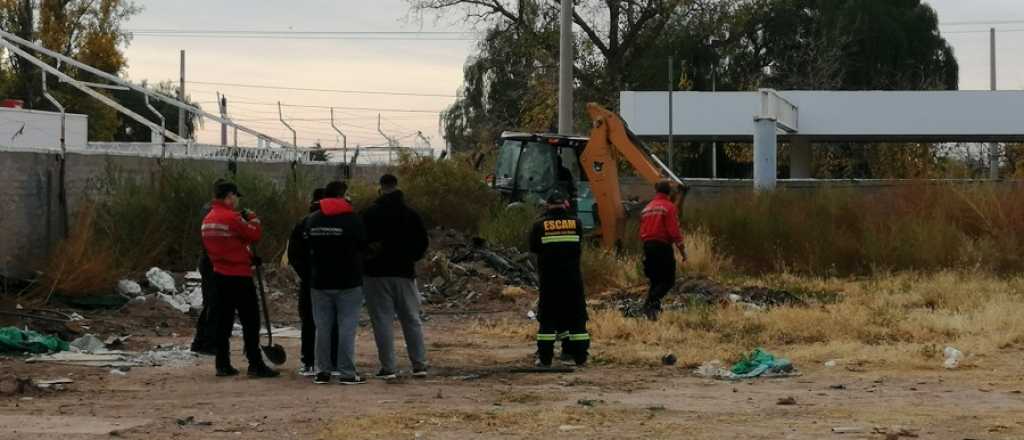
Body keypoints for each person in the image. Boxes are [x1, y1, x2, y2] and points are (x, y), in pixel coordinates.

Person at [201, 181, 279, 378]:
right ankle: (255, 363)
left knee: (223, 322)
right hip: (239, 276)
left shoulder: (208, 219)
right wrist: (252, 218)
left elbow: (229, 244)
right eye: (236, 197)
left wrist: (245, 255)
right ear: (230, 195)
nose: (236, 201)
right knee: (250, 321)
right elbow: (254, 235)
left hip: (219, 274)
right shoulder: (232, 218)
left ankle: (222, 363)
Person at [362, 174, 430, 379]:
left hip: (375, 274)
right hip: (404, 272)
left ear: (380, 188)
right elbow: (422, 243)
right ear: (397, 187)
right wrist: (410, 258)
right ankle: (419, 364)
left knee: (382, 320)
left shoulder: (368, 213)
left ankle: (388, 368)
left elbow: (359, 242)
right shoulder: (411, 214)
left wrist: (367, 260)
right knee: (411, 318)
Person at [304, 181, 368, 385]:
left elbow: (305, 249)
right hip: (348, 282)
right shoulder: (353, 220)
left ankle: (323, 371)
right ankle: (347, 373)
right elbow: (363, 246)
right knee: (346, 327)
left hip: (320, 282)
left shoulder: (312, 220)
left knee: (322, 328)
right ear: (342, 195)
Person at [529, 192, 590, 367]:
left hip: (550, 280)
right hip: (572, 280)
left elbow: (534, 248)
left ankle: (545, 358)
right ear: (565, 204)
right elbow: (579, 245)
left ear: (547, 205)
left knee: (547, 319)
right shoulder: (576, 223)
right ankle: (580, 357)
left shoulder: (539, 225)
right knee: (577, 318)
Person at [287, 188, 338, 376]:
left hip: (310, 281)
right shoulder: (336, 221)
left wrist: (306, 274)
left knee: (309, 321)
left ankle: (308, 361)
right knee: (333, 321)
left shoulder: (303, 224)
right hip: (333, 280)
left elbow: (293, 255)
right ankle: (332, 361)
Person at [639, 180, 686, 321]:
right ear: (669, 192)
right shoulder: (669, 207)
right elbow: (674, 231)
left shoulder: (646, 208)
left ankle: (650, 311)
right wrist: (682, 250)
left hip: (648, 246)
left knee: (655, 280)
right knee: (668, 280)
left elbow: (641, 231)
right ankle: (650, 302)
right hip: (662, 246)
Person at [190, 178, 226, 355]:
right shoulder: (213, 211)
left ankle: (201, 341)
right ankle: (207, 342)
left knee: (211, 303)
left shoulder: (207, 209)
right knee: (214, 303)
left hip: (207, 259)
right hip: (213, 261)